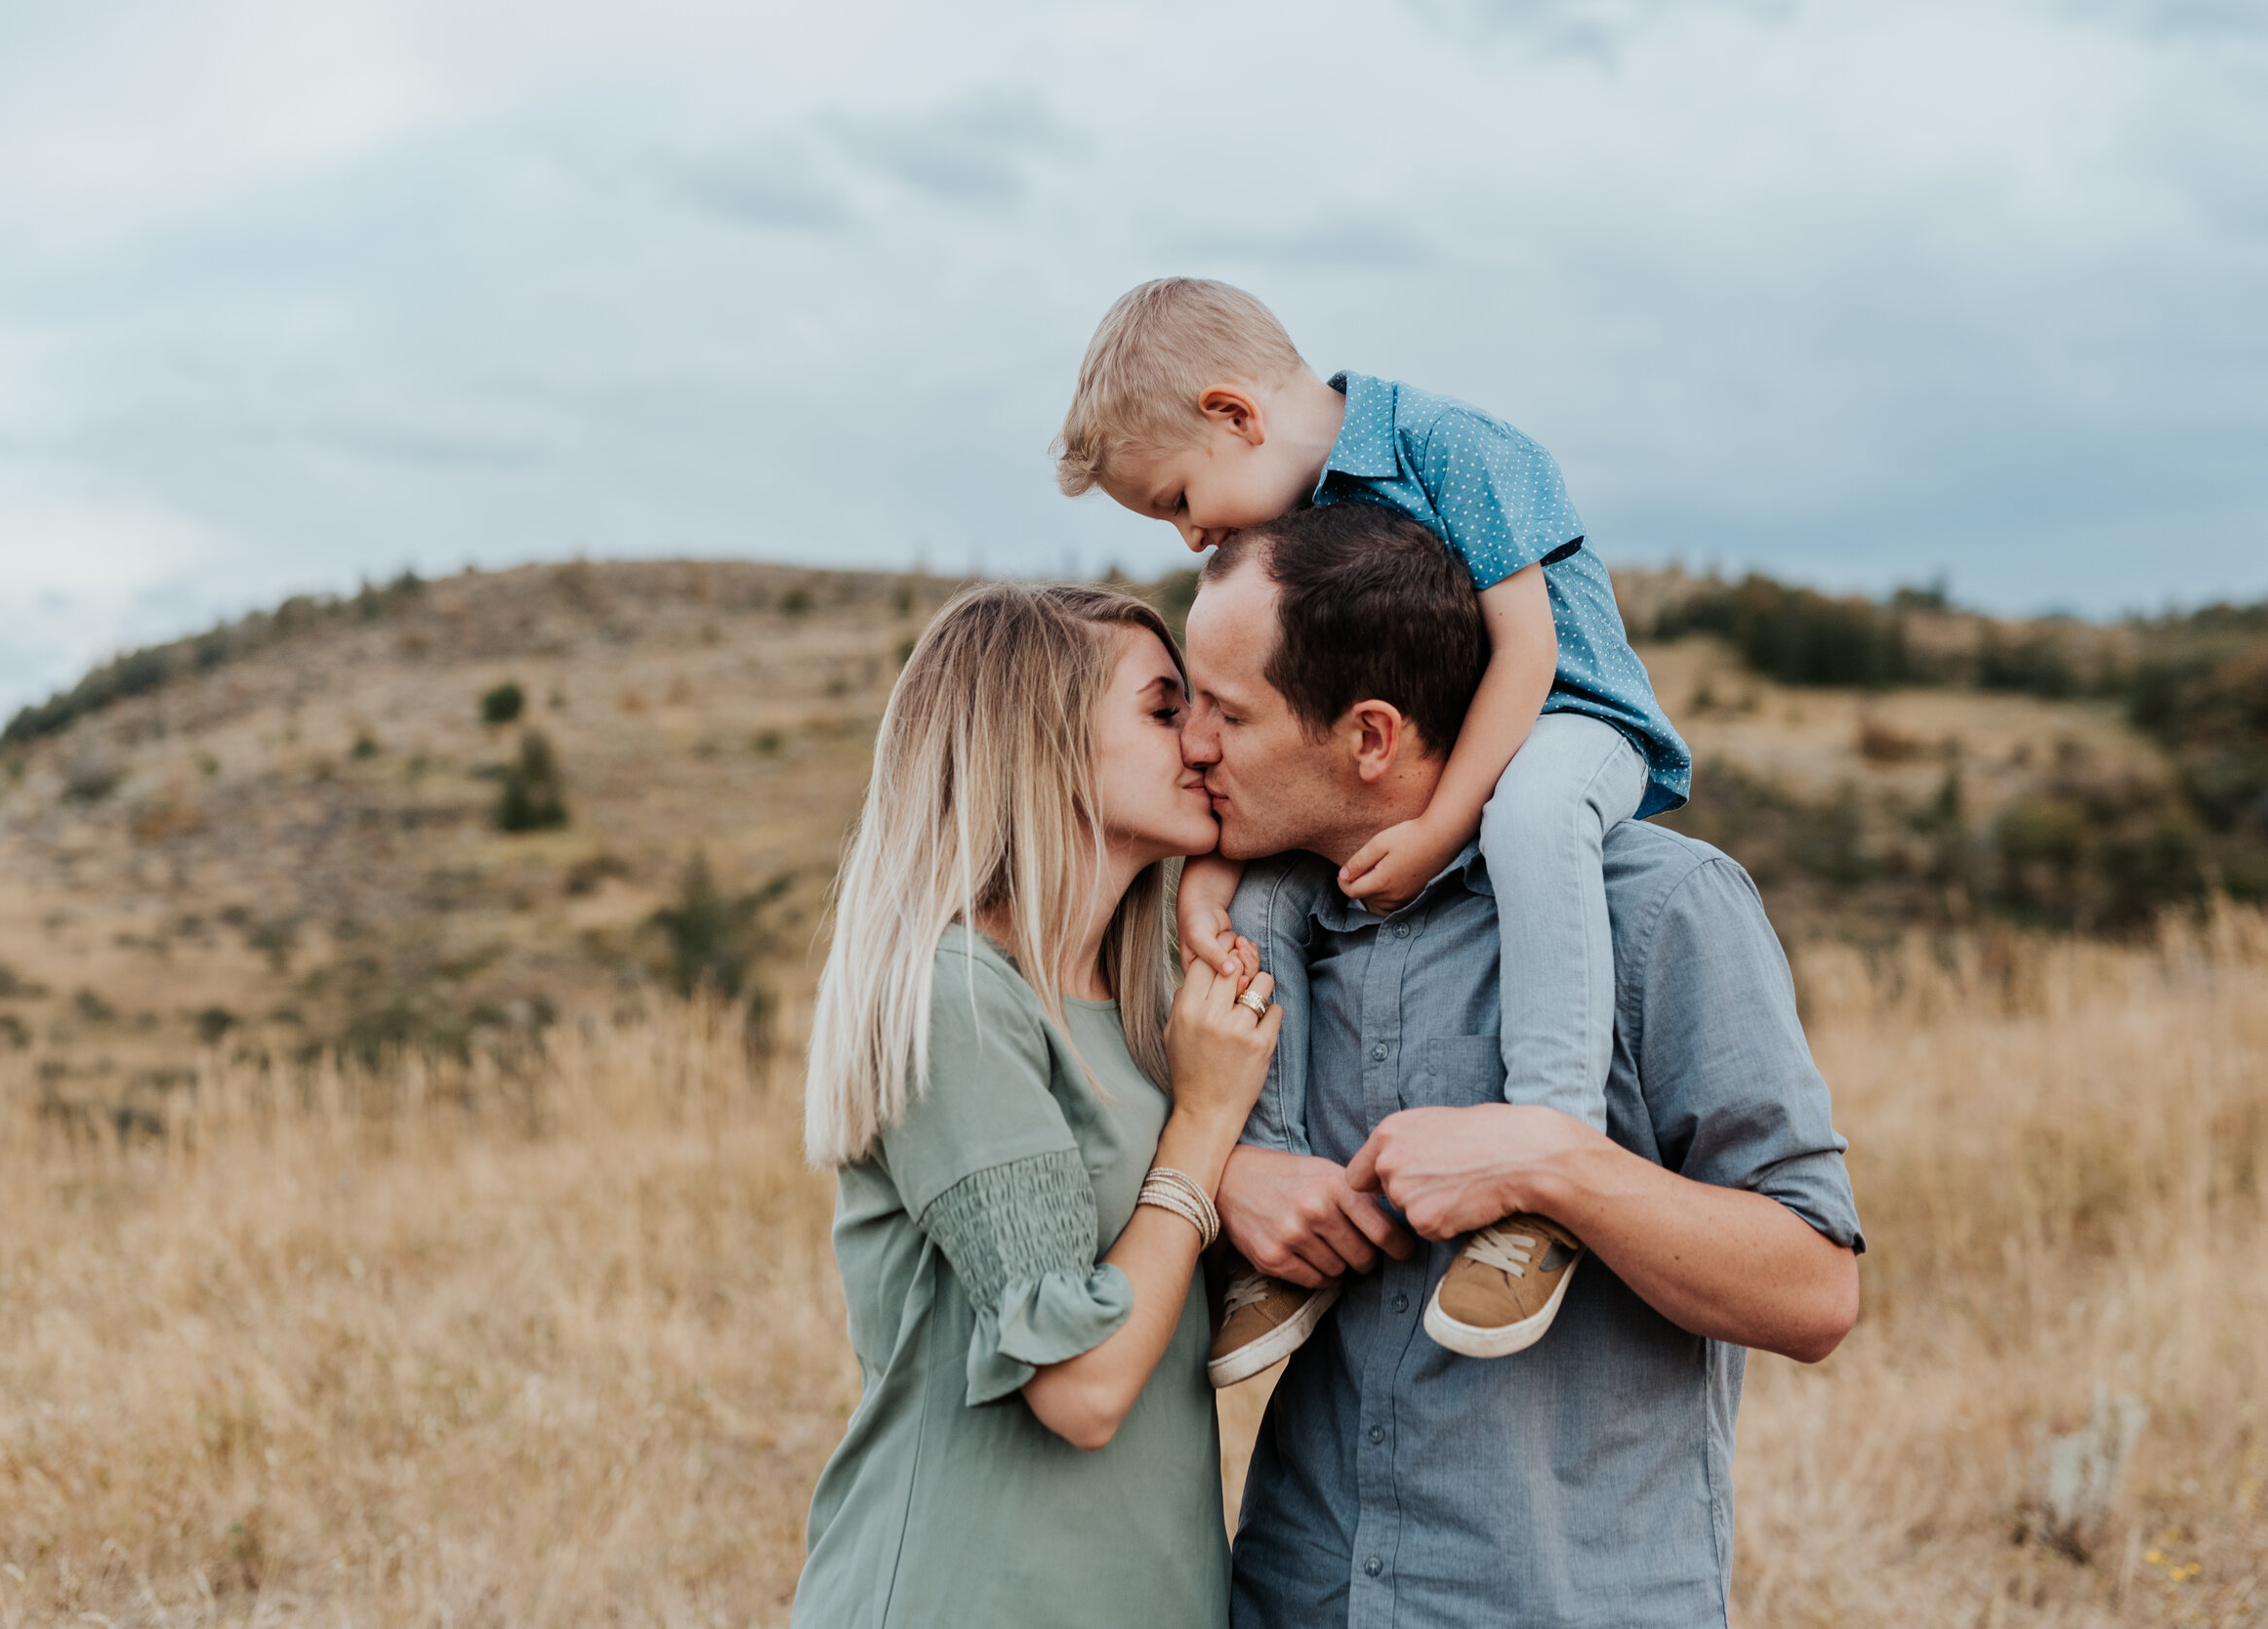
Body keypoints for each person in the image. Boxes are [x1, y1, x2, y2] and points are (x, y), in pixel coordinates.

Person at [1182, 502, 1864, 1627]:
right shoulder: (1238, 931)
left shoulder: (1658, 911)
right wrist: (1226, 1171)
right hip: (1298, 1596)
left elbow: (1815, 1290)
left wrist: (1553, 1164)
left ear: (1369, 737)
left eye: (1229, 711)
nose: (1193, 744)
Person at [1054, 277, 1696, 1373]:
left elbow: (1529, 655)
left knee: (1535, 819)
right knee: (1266, 898)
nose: (1191, 530)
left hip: (1570, 721)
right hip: (1427, 757)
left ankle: (1545, 1163)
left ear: (1234, 415)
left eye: (1174, 498)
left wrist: (1450, 824)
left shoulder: (1458, 448)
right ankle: (1277, 1211)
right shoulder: (1289, 522)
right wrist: (1213, 868)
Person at [790, 583, 1281, 1629]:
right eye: (1161, 708)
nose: (1201, 738)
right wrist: (1203, 1125)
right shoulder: (960, 994)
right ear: (1043, 741)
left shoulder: (1146, 1005)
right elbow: (1083, 1389)